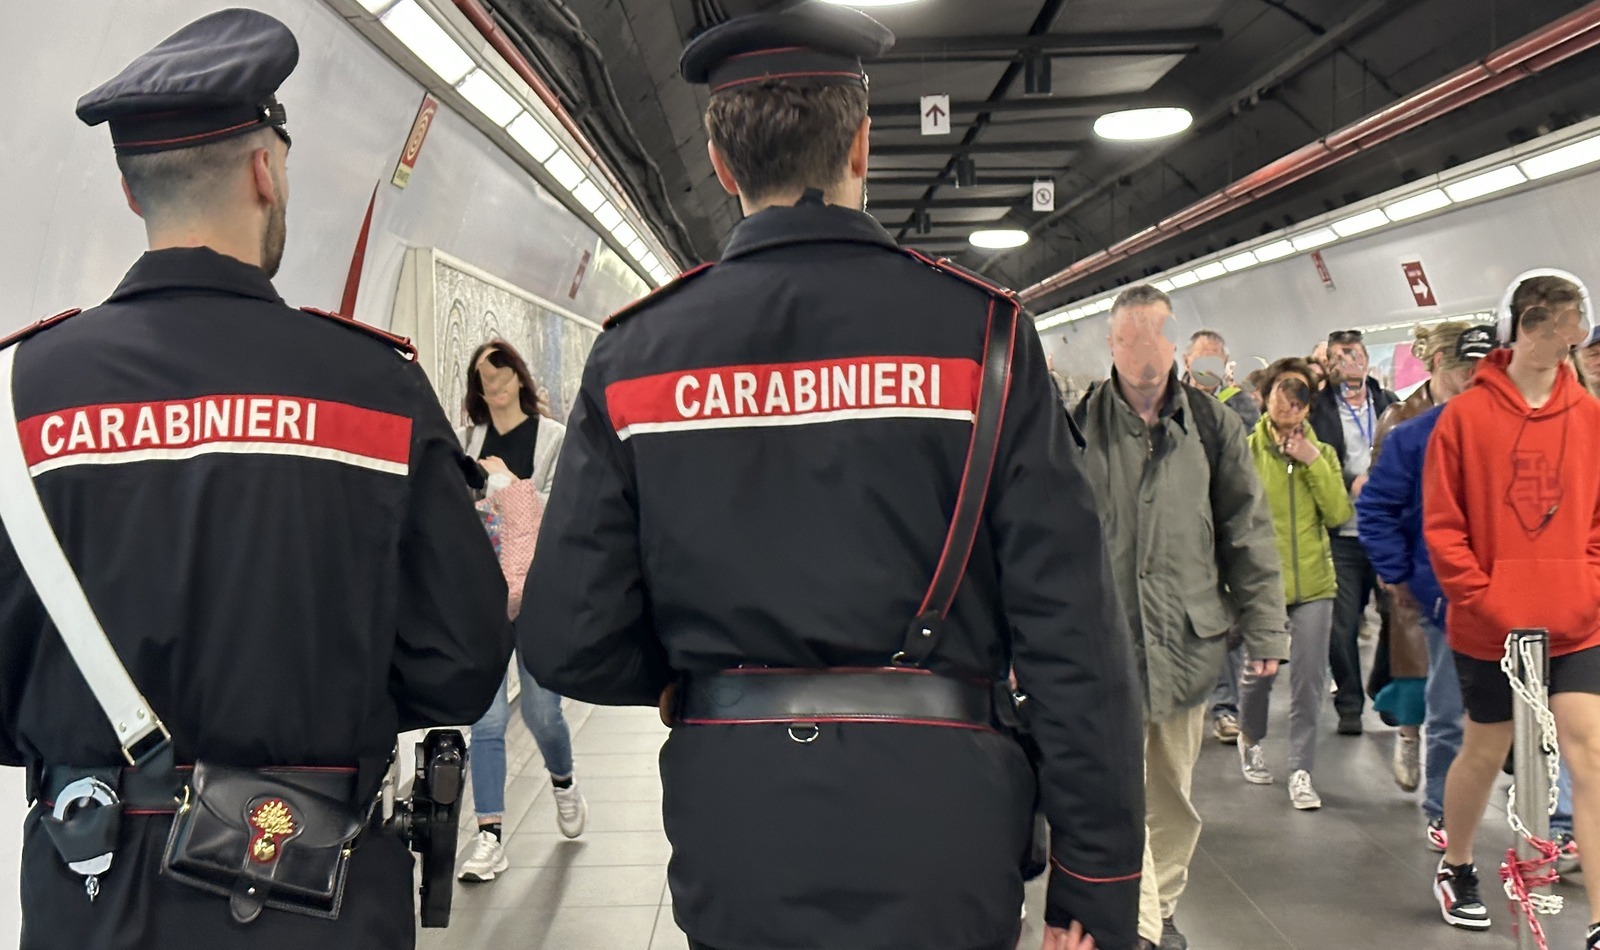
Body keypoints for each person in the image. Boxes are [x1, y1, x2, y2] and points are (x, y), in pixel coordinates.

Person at [517, 7, 1144, 950]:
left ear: (722, 167)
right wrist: (1095, 888)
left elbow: (566, 636)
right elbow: (1076, 646)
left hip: (736, 820)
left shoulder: (636, 358)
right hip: (949, 822)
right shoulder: (989, 343)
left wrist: (704, 672)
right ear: (863, 144)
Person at [0, 10, 512, 949]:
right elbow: (464, 664)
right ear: (265, 170)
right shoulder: (375, 389)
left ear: (128, 192)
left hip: (90, 893)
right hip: (317, 888)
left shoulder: (14, 397)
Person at [1074, 289, 1287, 950]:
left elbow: (1246, 530)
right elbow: (1048, 537)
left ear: (1175, 346)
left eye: (1154, 338)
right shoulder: (1075, 424)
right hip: (1104, 642)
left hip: (1188, 639)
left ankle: (1159, 906)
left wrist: (1266, 627)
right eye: (1128, 338)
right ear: (1111, 345)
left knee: (1172, 793)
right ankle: (1140, 928)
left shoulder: (1211, 425)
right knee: (1118, 790)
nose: (1142, 353)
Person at [1425, 270, 1600, 942]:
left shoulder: (1588, 419)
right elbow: (1445, 525)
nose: (1560, 340)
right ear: (1520, 327)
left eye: (1568, 326)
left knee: (1588, 754)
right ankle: (1458, 861)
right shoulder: (1465, 418)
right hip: (1490, 628)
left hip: (1577, 624)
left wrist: (1587, 588)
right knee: (1485, 745)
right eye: (1548, 325)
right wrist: (1484, 598)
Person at [455, 340, 588, 884]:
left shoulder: (553, 438)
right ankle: (489, 837)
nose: (495, 380)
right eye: (484, 374)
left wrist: (506, 487)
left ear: (519, 374)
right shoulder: (469, 441)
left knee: (540, 712)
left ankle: (564, 780)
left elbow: (559, 511)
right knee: (486, 721)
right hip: (484, 597)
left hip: (537, 594)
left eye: (502, 368)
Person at [1357, 322, 1488, 850]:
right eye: (1463, 367)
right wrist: (1395, 572)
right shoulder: (1414, 432)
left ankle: (1561, 821)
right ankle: (1442, 807)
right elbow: (1376, 507)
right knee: (1449, 709)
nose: (1474, 378)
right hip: (1445, 595)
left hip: (1516, 596)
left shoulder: (1518, 429)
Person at [1236, 358, 1353, 810]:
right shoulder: (1245, 452)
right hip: (1264, 585)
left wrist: (1312, 463)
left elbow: (1340, 514)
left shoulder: (1321, 454)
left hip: (1314, 585)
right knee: (1260, 677)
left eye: (1300, 394)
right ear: (1264, 397)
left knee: (1308, 680)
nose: (1291, 402)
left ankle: (1301, 769)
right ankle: (1251, 738)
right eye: (1282, 391)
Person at [1309, 329, 1398, 734]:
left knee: (1396, 615)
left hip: (1384, 530)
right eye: (1341, 356)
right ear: (1330, 364)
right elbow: (1317, 461)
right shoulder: (1318, 409)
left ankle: (1382, 683)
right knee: (1342, 624)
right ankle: (1348, 702)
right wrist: (1349, 481)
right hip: (1342, 532)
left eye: (1356, 354)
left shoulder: (1390, 405)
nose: (1351, 362)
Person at [1179, 328, 1263, 747]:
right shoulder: (1166, 402)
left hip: (1221, 523)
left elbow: (1250, 464)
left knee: (1224, 616)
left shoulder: (1242, 407)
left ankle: (1226, 707)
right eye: (1201, 358)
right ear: (1186, 362)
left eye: (1216, 358)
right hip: (1178, 526)